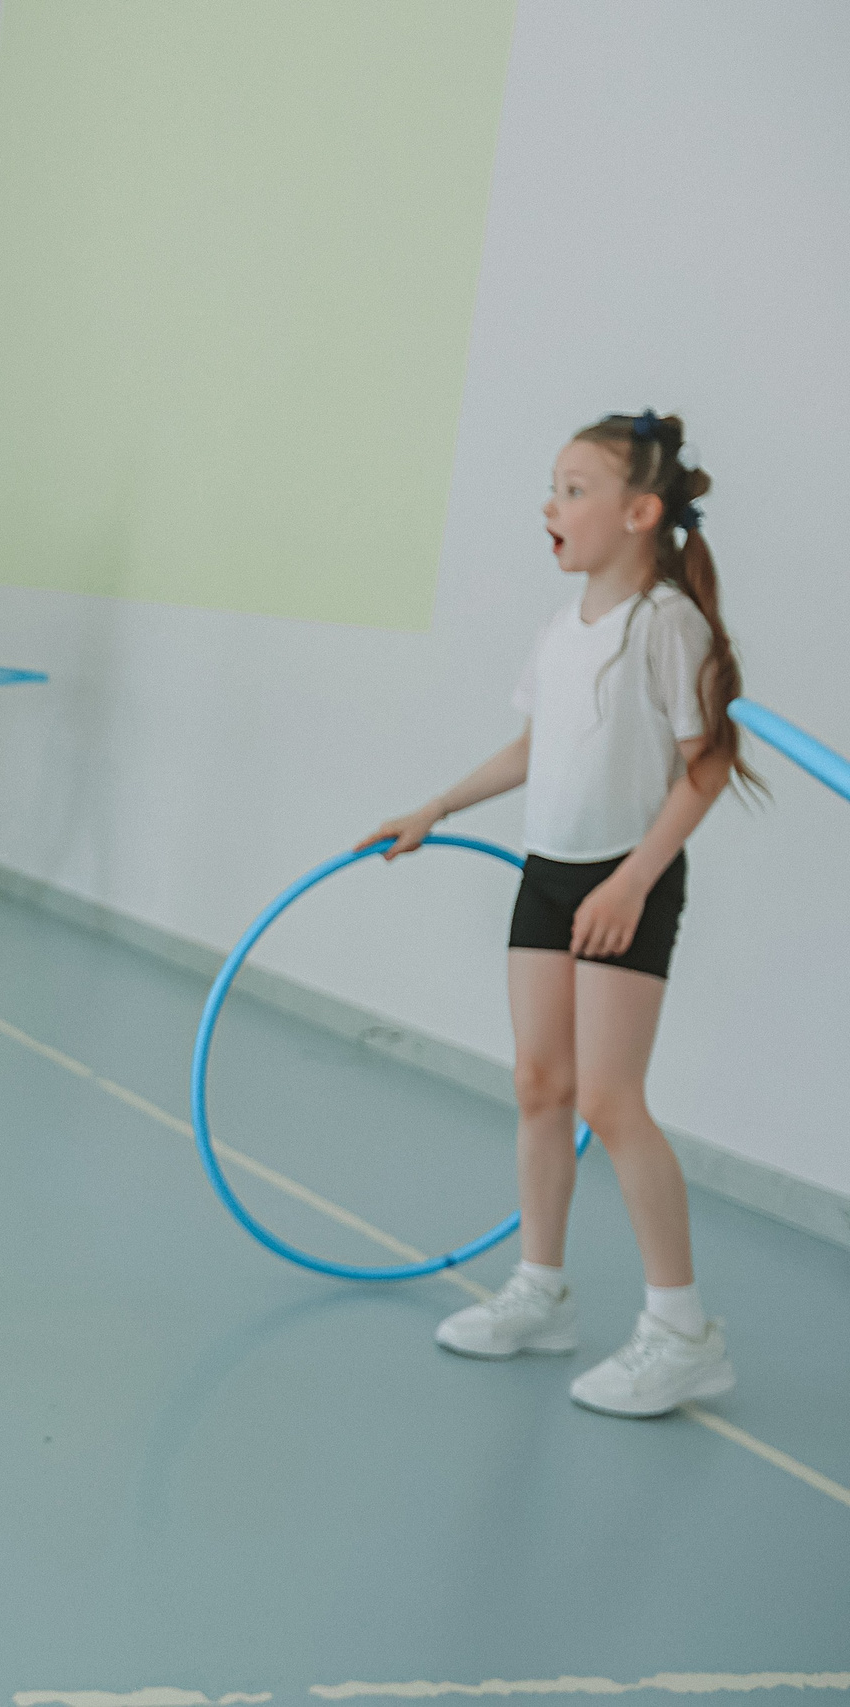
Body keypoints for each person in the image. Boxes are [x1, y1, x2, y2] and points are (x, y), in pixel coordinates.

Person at [369, 410, 750, 1420]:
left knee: (609, 1104)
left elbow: (704, 770)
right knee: (540, 1084)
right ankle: (540, 1291)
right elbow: (535, 749)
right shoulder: (559, 628)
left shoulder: (668, 625)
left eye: (573, 490)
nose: (551, 505)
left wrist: (630, 883)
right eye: (552, 486)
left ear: (638, 512)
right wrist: (435, 805)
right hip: (546, 872)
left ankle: (682, 1333)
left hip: (627, 879)